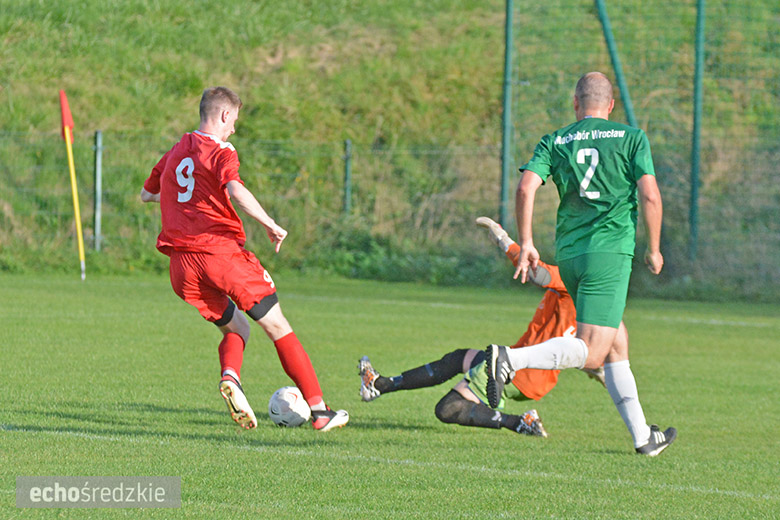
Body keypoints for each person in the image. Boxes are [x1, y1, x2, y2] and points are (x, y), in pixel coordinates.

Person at [483, 72, 675, 455]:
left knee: (616, 340)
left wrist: (528, 243)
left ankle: (643, 437)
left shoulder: (555, 140)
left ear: (575, 104)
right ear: (611, 104)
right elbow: (650, 196)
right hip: (609, 254)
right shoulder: (632, 138)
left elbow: (525, 187)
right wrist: (654, 248)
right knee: (593, 350)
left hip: (571, 256)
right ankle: (508, 359)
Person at [140, 86, 348, 432]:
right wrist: (270, 223)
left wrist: (183, 201)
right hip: (221, 257)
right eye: (234, 121)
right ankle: (320, 411)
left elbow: (147, 194)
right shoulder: (221, 150)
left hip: (182, 267)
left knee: (238, 327)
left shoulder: (175, 152)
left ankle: (231, 379)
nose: (234, 128)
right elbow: (235, 188)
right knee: (278, 327)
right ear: (223, 115)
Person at [358, 217, 606, 438]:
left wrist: (502, 239)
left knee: (448, 408)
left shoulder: (574, 280)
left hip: (519, 371)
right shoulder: (599, 296)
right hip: (537, 376)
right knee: (458, 358)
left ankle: (520, 423)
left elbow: (536, 272)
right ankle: (381, 385)